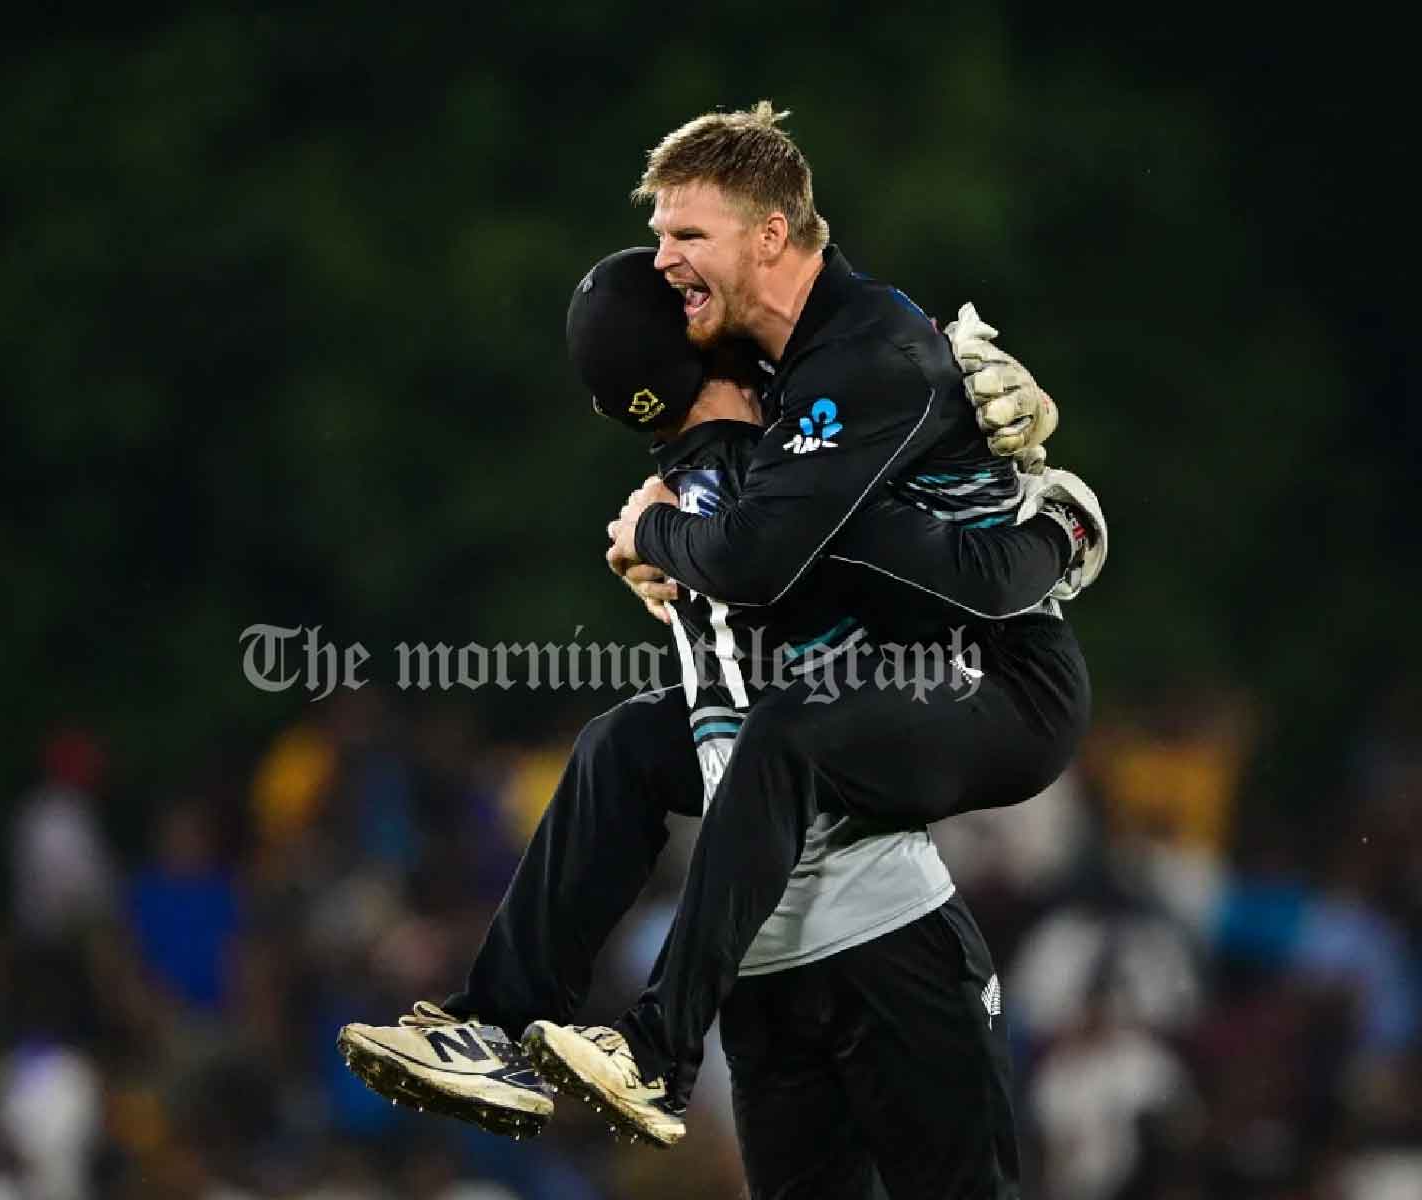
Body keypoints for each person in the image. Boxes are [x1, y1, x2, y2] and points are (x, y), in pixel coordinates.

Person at [341, 243, 1099, 1197]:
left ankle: (496, 1024)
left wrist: (649, 533)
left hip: (761, 969)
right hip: (885, 934)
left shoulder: (677, 501)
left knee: (621, 742)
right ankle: (644, 1044)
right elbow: (977, 572)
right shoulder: (800, 485)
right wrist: (1064, 515)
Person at [517, 103, 1103, 1171]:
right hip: (894, 677)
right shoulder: (766, 359)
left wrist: (1064, 519)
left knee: (788, 723)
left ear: (771, 234)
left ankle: (657, 1045)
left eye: (686, 234)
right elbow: (744, 541)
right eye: (658, 235)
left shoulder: (867, 354)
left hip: (999, 675)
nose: (663, 260)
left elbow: (928, 572)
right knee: (630, 740)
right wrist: (666, 545)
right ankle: (505, 1023)